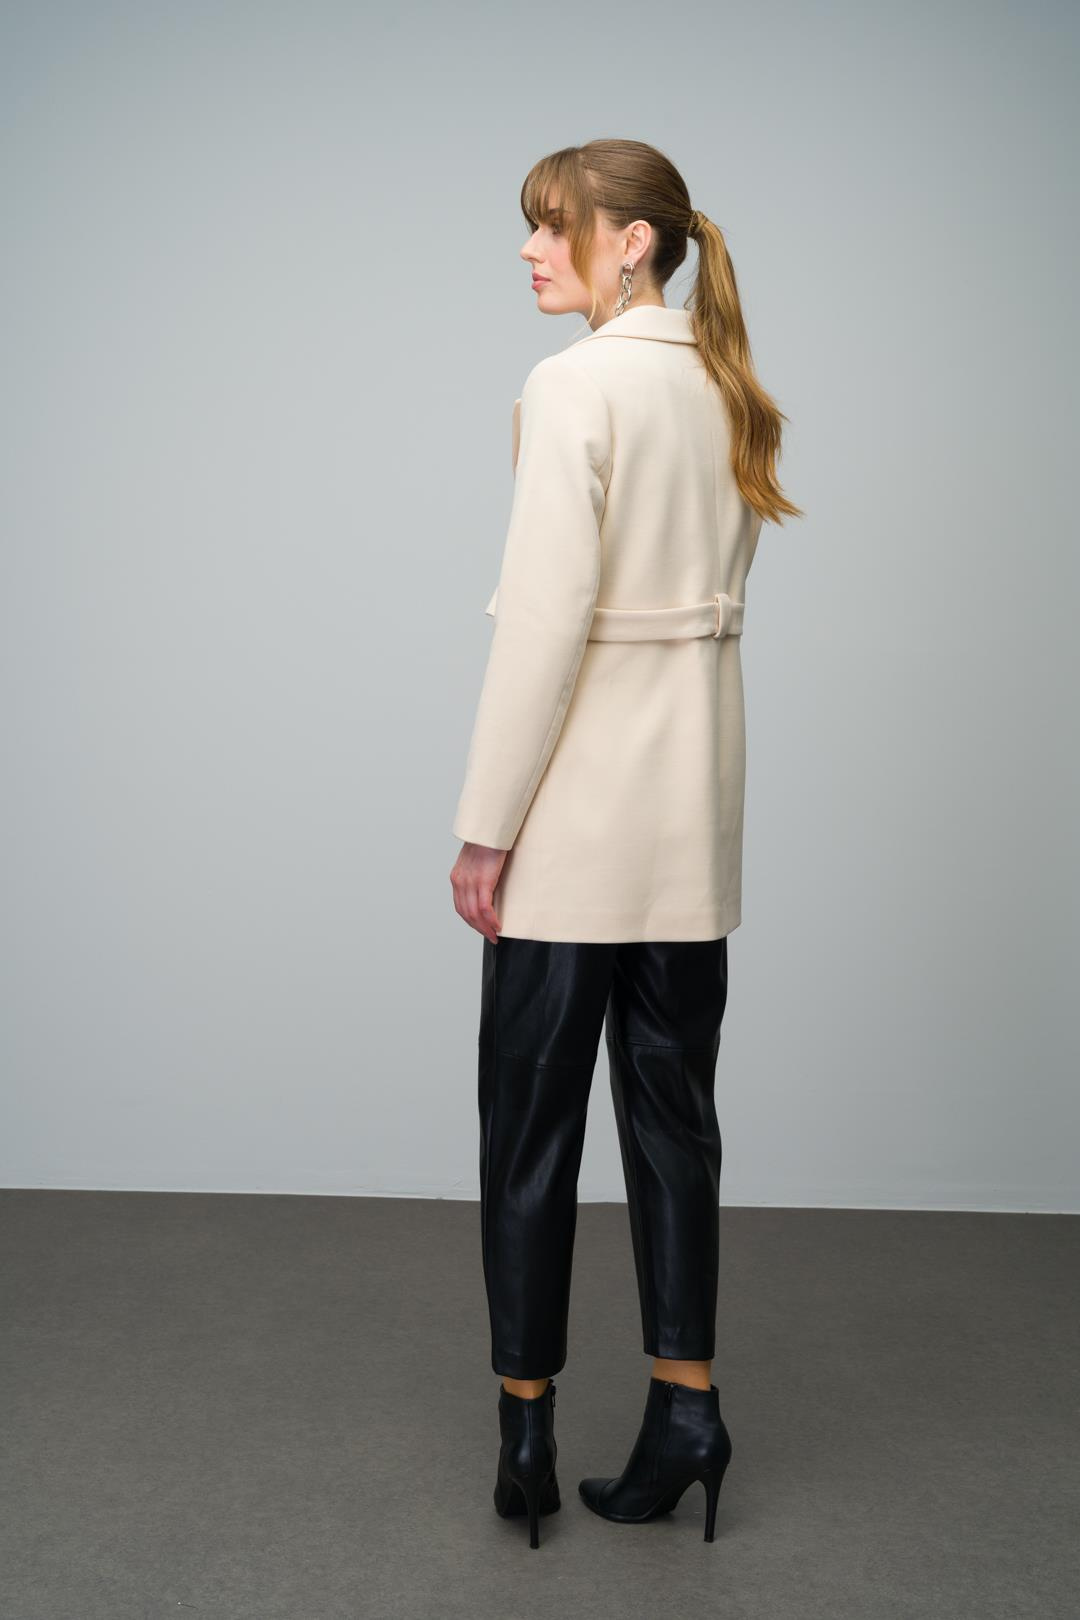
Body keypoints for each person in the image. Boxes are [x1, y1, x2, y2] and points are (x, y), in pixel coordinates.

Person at [449, 138, 802, 1549]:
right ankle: (687, 1408)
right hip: (691, 824)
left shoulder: (573, 386)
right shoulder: (728, 386)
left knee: (529, 1133)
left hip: (575, 828)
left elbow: (545, 629)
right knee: (675, 1126)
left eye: (555, 227)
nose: (532, 251)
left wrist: (486, 831)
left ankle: (526, 1431)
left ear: (632, 241)